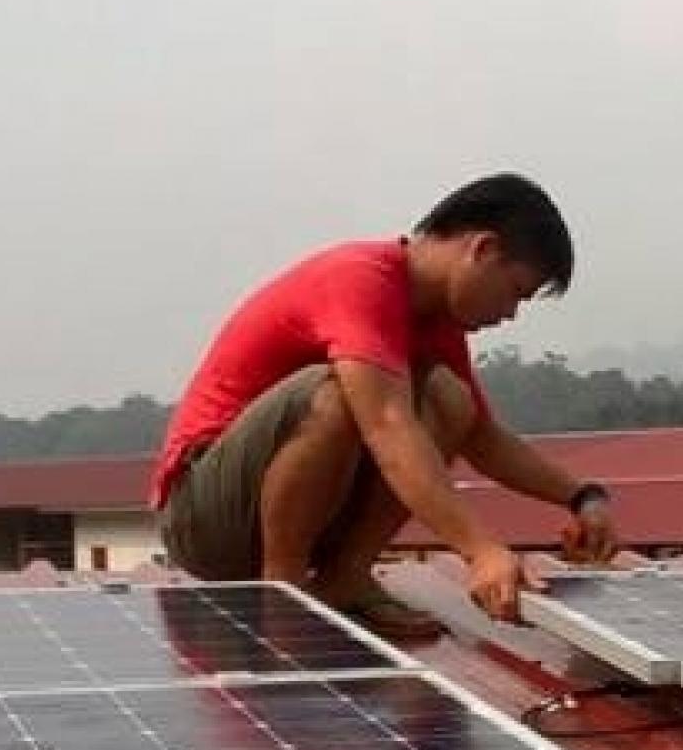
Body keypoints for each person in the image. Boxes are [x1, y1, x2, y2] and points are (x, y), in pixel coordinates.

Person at [153, 174, 619, 632]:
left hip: (291, 513)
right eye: (515, 291)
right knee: (336, 395)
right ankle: (284, 595)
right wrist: (480, 551)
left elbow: (483, 439)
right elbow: (388, 427)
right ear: (483, 250)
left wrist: (582, 498)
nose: (509, 314)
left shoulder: (437, 324)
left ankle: (346, 578)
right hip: (204, 516)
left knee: (449, 401)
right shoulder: (360, 279)